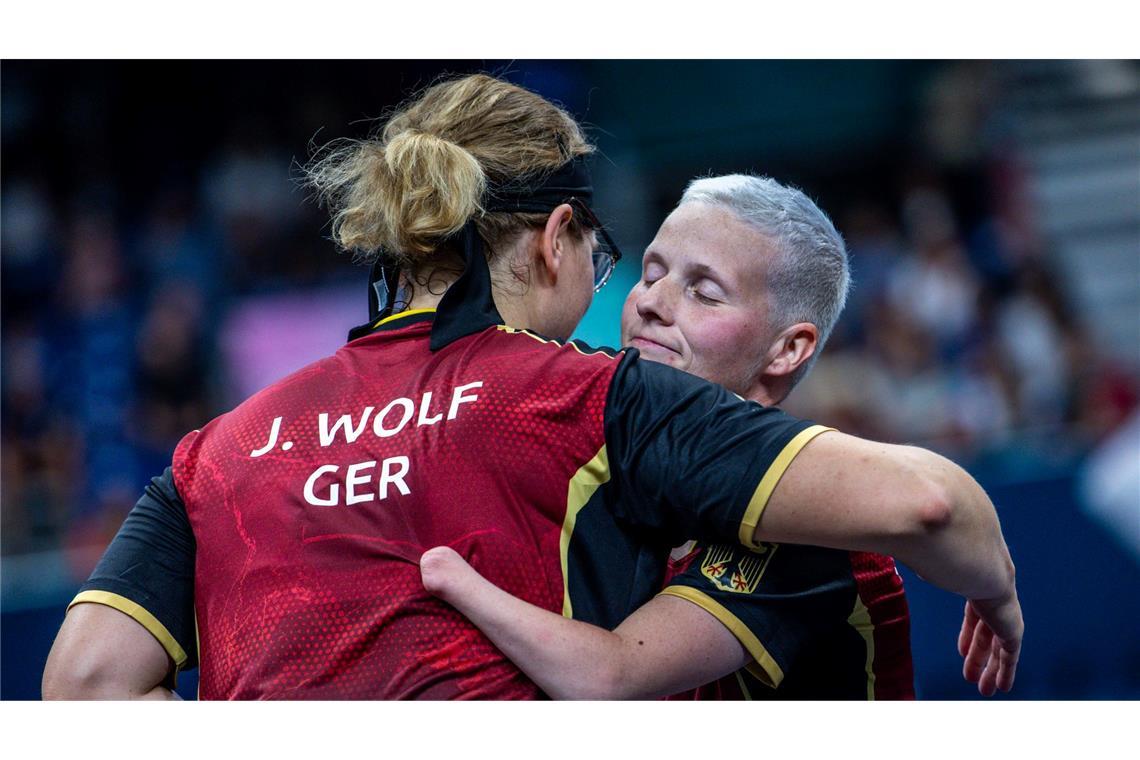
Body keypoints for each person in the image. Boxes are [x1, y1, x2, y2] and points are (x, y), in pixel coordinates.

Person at [42, 74, 1020, 700]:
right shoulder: (586, 399)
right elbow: (933, 501)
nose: (637, 303)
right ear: (554, 238)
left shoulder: (218, 449)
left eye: (702, 285)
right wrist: (999, 590)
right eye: (617, 265)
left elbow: (84, 686)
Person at [420, 175, 955, 699]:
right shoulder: (595, 476)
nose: (653, 302)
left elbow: (609, 677)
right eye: (651, 274)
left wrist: (452, 579)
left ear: (787, 350)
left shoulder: (809, 526)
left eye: (704, 292)